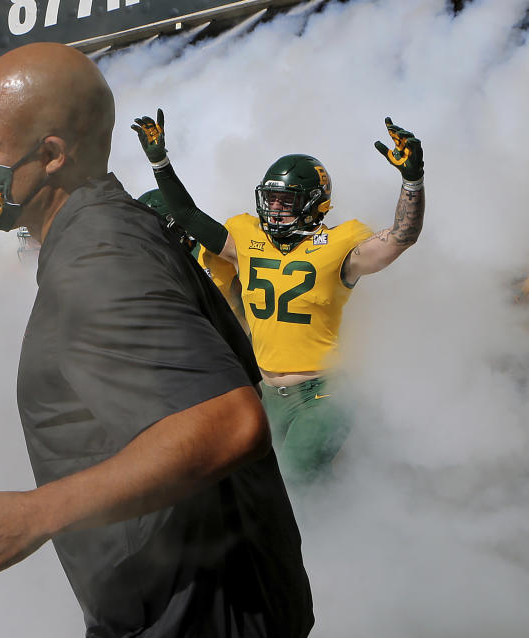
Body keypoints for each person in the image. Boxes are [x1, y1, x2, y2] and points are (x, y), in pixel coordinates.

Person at [0, 42, 312, 638]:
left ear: (51, 153)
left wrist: (37, 512)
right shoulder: (111, 231)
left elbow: (229, 421)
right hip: (222, 633)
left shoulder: (98, 257)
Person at [132, 110, 425, 486]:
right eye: (270, 200)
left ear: (314, 202)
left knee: (295, 484)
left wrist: (412, 181)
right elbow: (187, 214)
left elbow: (402, 236)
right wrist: (160, 162)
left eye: (285, 201)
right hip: (270, 394)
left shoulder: (341, 243)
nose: (274, 209)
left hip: (324, 393)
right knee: (263, 490)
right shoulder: (246, 239)